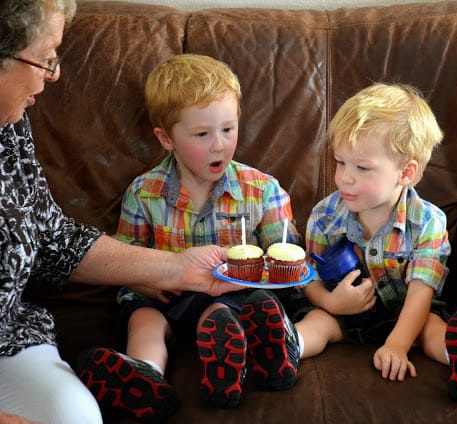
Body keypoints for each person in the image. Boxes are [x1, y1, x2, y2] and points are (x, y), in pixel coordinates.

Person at [0, 1, 244, 423]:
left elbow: (52, 237)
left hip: (9, 339)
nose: (53, 75)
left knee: (77, 416)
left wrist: (177, 269)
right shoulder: (146, 192)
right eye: (44, 59)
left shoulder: (11, 123)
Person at [75, 54, 303, 420]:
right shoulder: (144, 192)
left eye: (228, 129)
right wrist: (147, 283)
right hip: (166, 296)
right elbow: (126, 260)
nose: (219, 145)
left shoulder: (263, 190)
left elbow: (285, 264)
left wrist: (254, 273)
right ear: (166, 138)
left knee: (224, 311)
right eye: (202, 134)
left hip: (232, 297)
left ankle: (226, 367)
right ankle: (144, 376)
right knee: (143, 317)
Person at [293, 83, 457, 402]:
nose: (345, 177)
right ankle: (283, 347)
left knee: (430, 328)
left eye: (362, 167)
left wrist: (397, 345)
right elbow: (308, 277)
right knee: (317, 322)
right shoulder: (325, 215)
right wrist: (332, 303)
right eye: (340, 162)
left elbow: (421, 292)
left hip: (407, 317)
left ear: (406, 172)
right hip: (342, 315)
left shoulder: (427, 222)